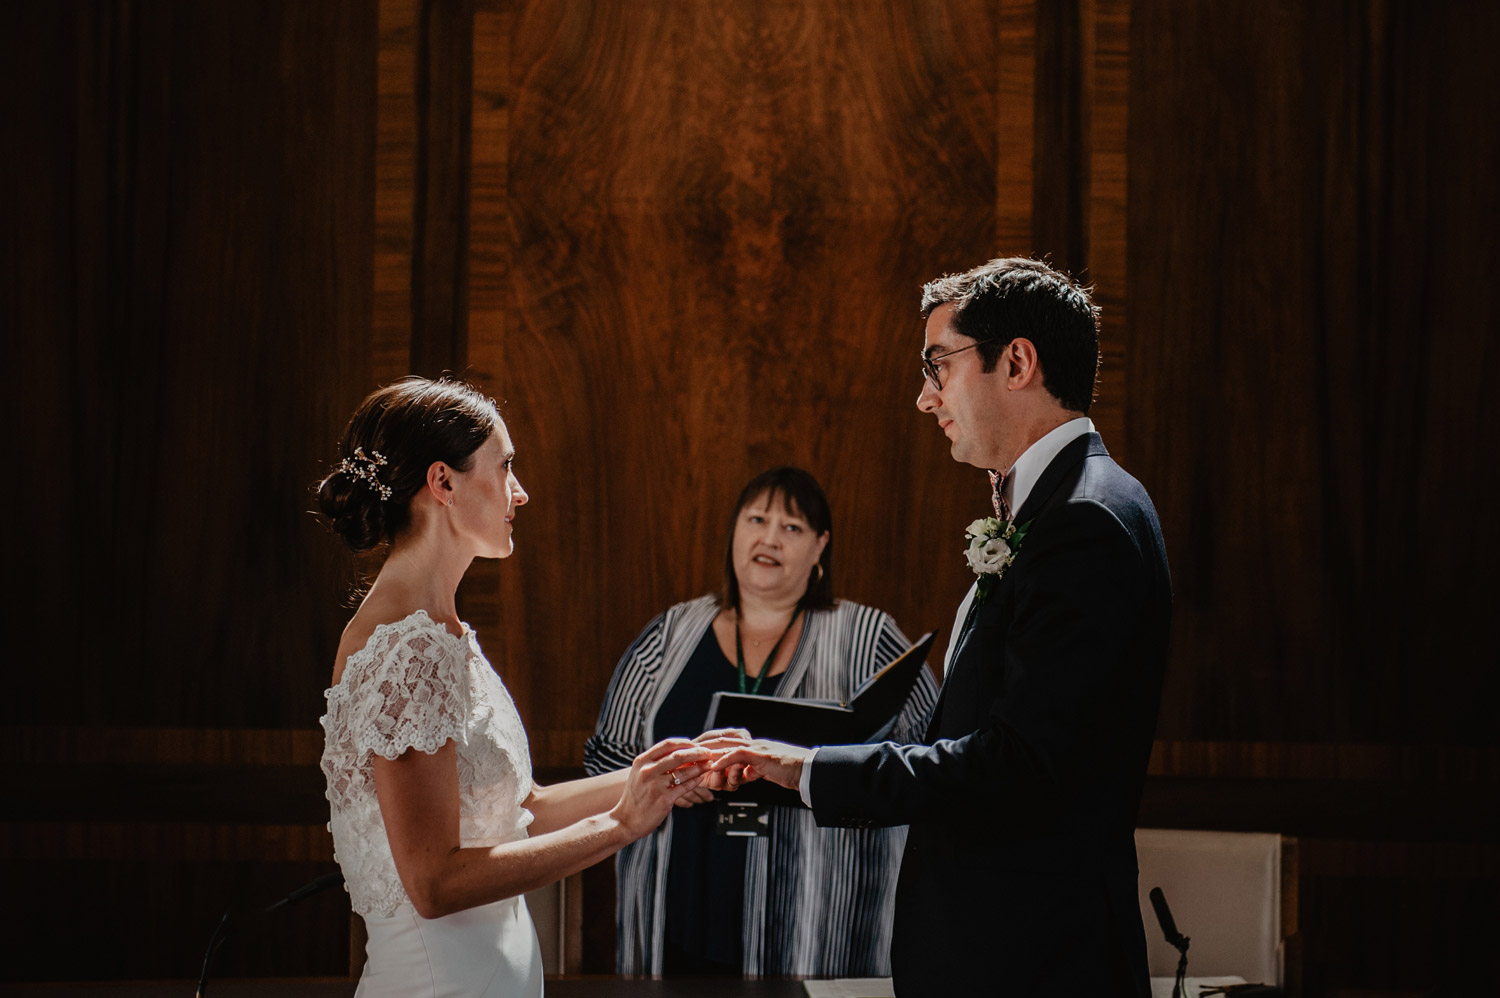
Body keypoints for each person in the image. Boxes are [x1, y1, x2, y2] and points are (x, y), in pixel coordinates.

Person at [709, 259, 1172, 996]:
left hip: (1033, 963)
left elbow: (1017, 765)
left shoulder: (1085, 519)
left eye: (939, 364)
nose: (925, 398)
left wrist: (808, 768)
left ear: (1017, 361)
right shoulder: (1058, 505)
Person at [316, 376, 715, 997]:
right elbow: (433, 884)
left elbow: (520, 806)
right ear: (442, 482)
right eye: (505, 467)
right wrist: (620, 826)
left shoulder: (443, 637)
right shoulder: (406, 650)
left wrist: (661, 773)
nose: (520, 493)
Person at [584, 466, 939, 978]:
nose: (769, 538)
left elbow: (925, 763)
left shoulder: (868, 639)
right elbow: (605, 758)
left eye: (792, 528)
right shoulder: (669, 636)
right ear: (735, 531)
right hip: (676, 903)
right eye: (757, 519)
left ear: (820, 546)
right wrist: (663, 784)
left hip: (818, 921)